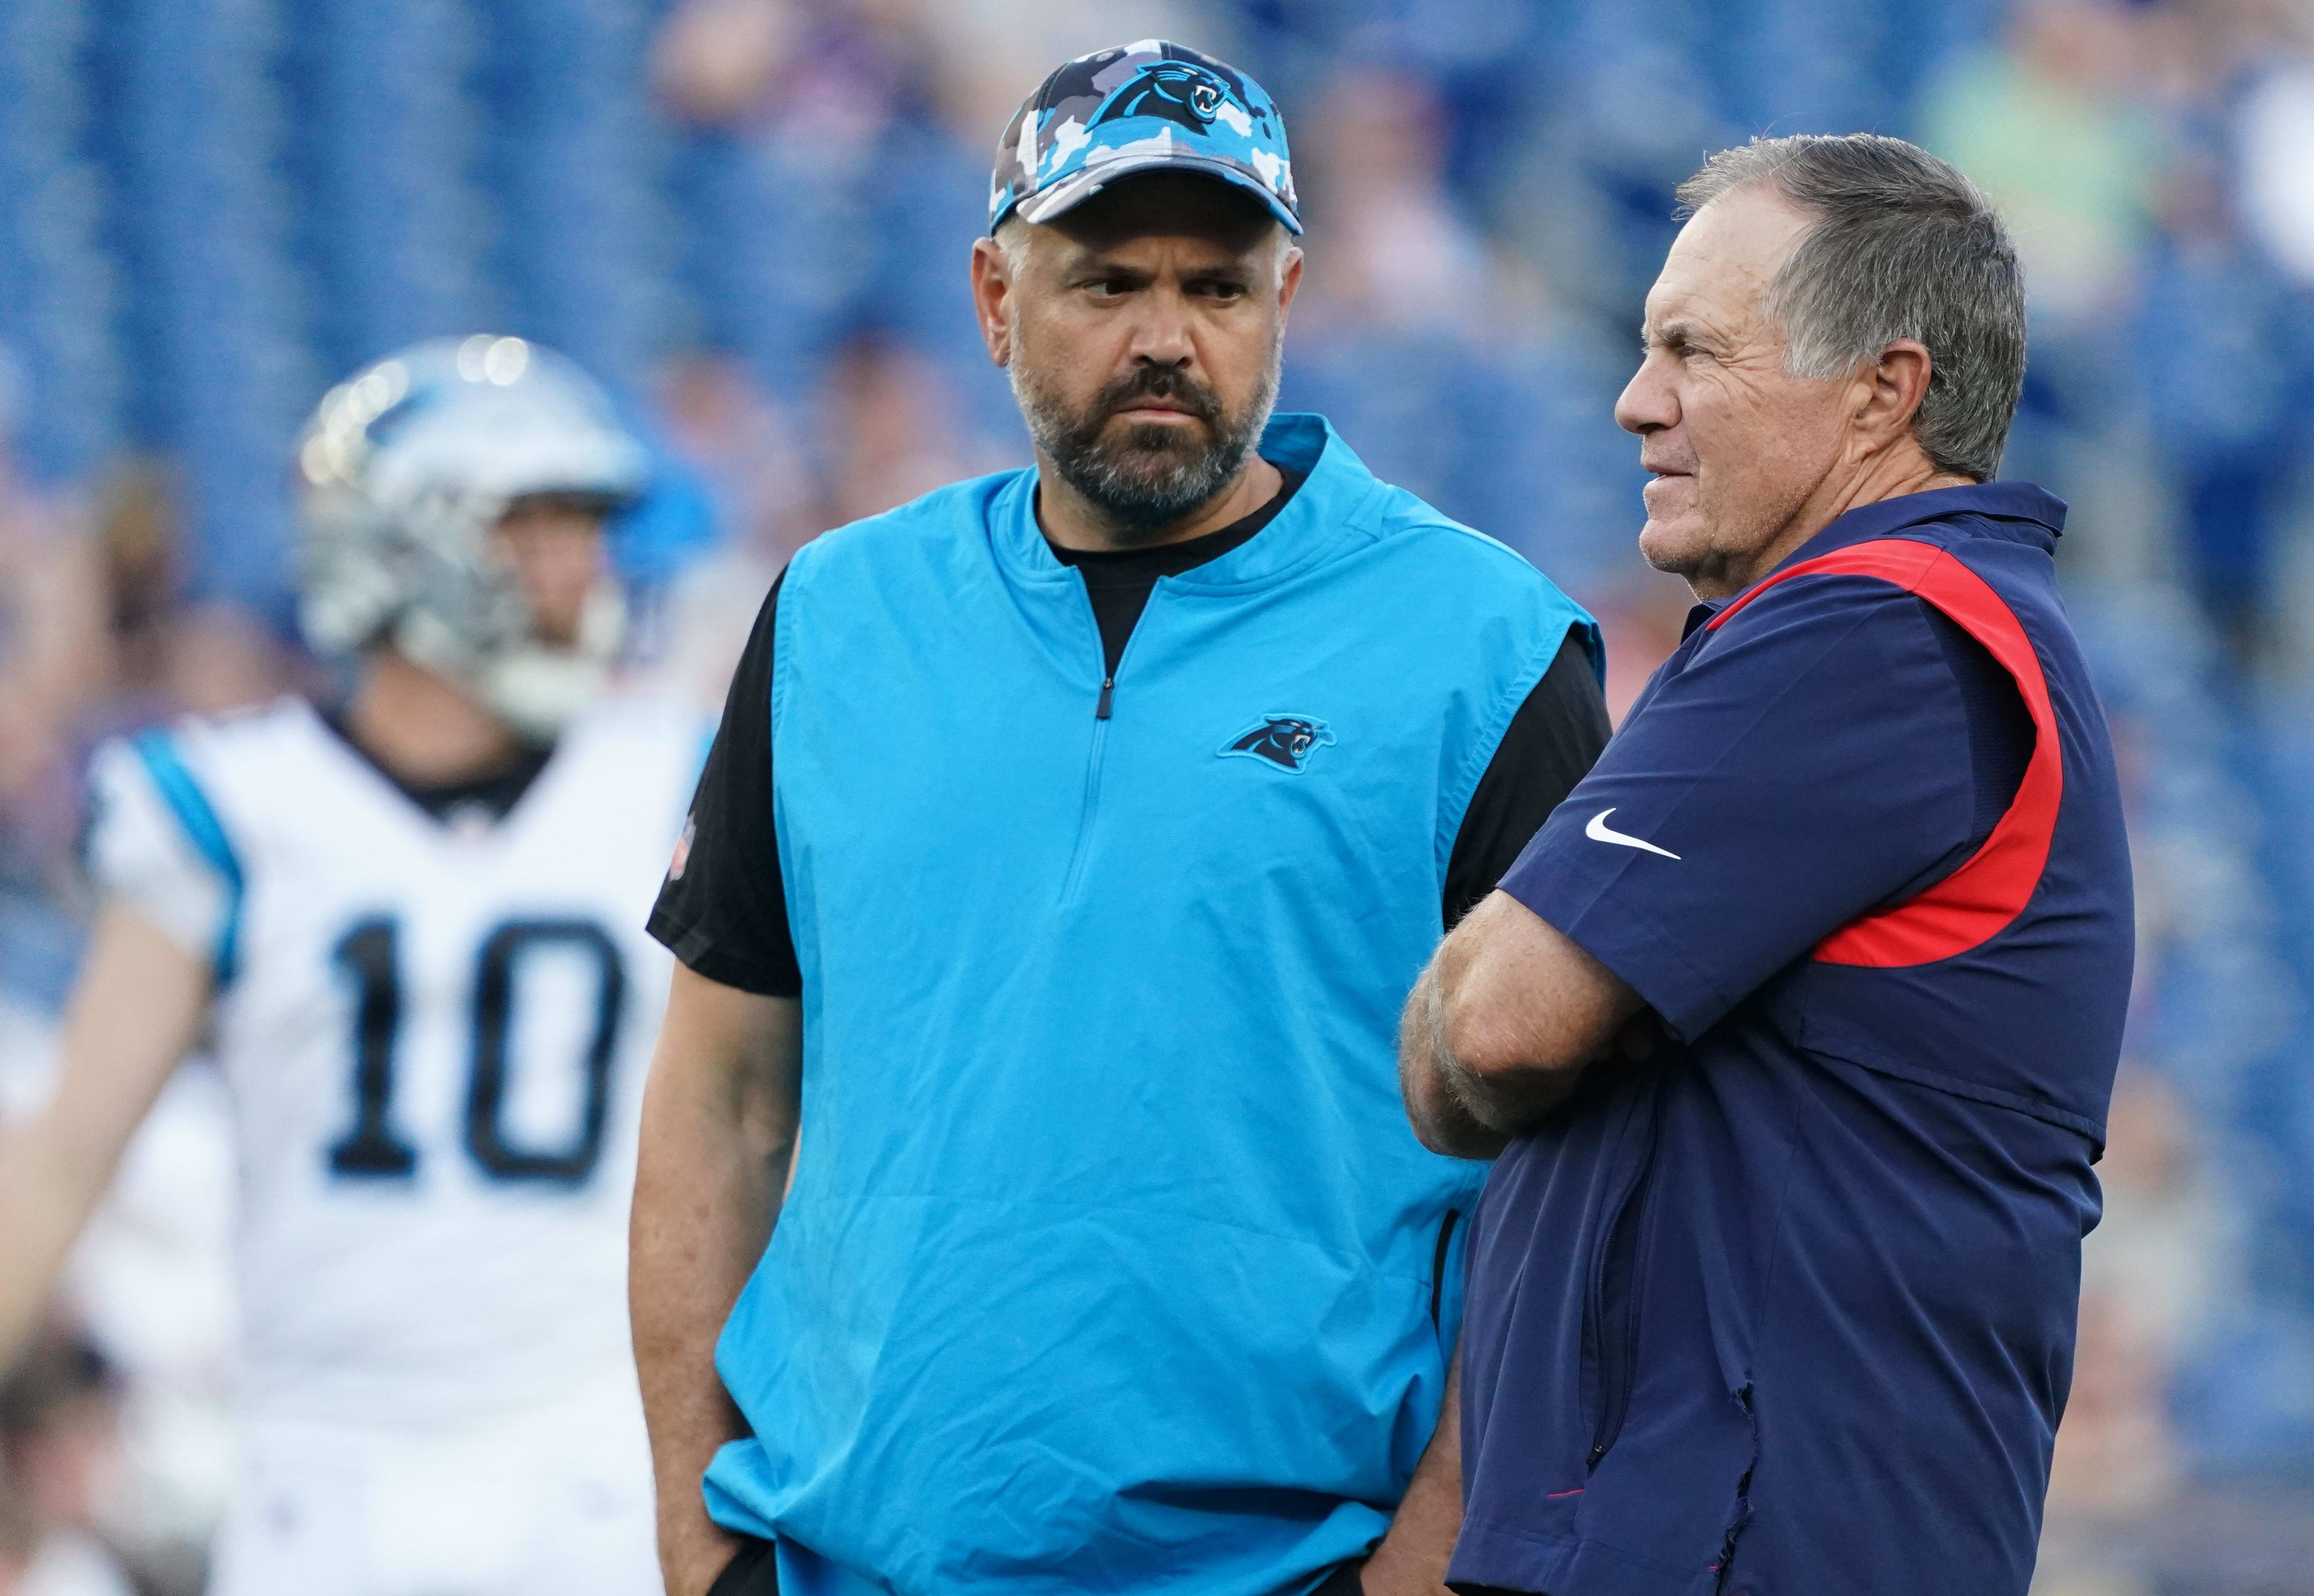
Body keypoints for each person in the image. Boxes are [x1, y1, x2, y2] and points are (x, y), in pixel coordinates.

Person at [629, 41, 1608, 1596]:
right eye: (1105, 282)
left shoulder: (1482, 651)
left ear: (1287, 301)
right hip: (846, 1561)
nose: (1166, 338)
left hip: (1288, 1566)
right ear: (994, 298)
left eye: (1217, 288)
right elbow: (719, 1100)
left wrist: (1424, 1569)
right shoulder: (835, 615)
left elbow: (1574, 1185)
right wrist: (700, 1546)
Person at [1399, 133, 2136, 1594]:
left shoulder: (1878, 624)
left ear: (1886, 390)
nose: (1633, 401)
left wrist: (1479, 991)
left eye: (1694, 351)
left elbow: (1485, 1033)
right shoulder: (1896, 626)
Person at [0, 336, 705, 1595]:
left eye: (586, 528)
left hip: (599, 1464)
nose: (585, 569)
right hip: (322, 1476)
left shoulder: (673, 781)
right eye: (539, 528)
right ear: (407, 543)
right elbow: (65, 1155)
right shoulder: (233, 810)